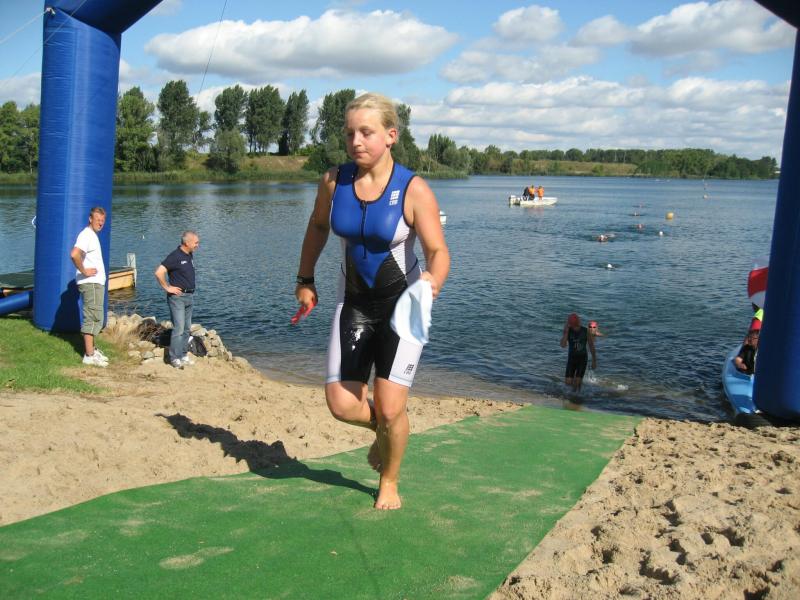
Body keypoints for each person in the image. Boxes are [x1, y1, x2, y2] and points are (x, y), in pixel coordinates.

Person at [294, 92, 450, 510]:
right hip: (354, 302)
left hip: (405, 307)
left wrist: (433, 280)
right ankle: (386, 432)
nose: (356, 141)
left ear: (391, 135)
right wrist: (305, 278)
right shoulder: (334, 182)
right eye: (350, 133)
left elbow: (438, 251)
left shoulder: (413, 189)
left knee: (391, 406)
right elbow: (318, 227)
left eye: (366, 132)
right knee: (342, 404)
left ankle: (389, 480)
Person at [155, 231, 200, 369]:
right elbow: (159, 272)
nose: (197, 245)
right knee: (179, 329)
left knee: (186, 329)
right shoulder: (175, 256)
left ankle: (183, 355)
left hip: (189, 296)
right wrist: (167, 287)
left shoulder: (189, 254)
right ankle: (174, 358)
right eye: (196, 243)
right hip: (177, 298)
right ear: (187, 243)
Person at [70, 206, 109, 367]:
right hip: (91, 283)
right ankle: (89, 355)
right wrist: (84, 271)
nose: (100, 223)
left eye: (103, 220)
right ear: (90, 219)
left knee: (96, 317)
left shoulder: (92, 235)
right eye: (97, 219)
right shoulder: (86, 235)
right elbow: (74, 254)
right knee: (92, 317)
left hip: (95, 283)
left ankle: (92, 350)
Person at [560, 313, 596, 392]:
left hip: (582, 359)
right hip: (571, 359)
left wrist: (594, 360)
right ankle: (573, 393)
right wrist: (566, 333)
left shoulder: (585, 331)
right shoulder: (568, 331)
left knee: (577, 383)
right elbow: (563, 345)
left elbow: (591, 345)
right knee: (568, 382)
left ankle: (577, 396)